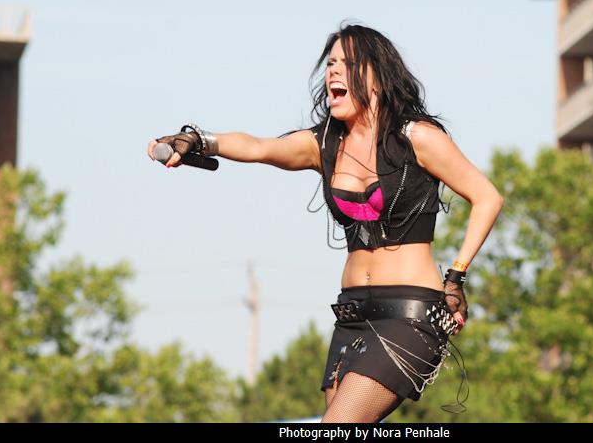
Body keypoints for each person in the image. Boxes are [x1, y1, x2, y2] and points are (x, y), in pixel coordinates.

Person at [146, 23, 504, 423]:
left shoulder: (416, 137)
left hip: (409, 315)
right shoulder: (325, 144)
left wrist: (456, 277)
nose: (333, 70)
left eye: (346, 63)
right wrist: (199, 140)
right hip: (351, 316)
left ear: (376, 76)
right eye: (330, 63)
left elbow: (487, 197)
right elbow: (259, 147)